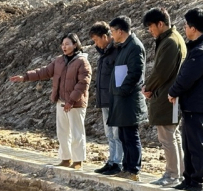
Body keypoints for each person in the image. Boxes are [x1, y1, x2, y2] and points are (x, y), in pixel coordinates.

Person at [10, 33, 92, 169]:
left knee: (77, 132)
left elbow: (83, 84)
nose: (64, 47)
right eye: (63, 44)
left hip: (75, 104)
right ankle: (66, 158)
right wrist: (24, 77)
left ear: (75, 45)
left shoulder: (82, 62)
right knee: (62, 132)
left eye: (67, 44)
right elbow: (44, 72)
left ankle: (78, 161)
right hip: (61, 101)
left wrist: (71, 101)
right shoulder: (59, 60)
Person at [168, 8, 203, 191]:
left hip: (197, 103)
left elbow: (187, 76)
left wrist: (173, 91)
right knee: (189, 143)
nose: (184, 28)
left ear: (193, 28)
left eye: (186, 25)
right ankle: (189, 178)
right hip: (192, 103)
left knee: (196, 143)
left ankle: (197, 181)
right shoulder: (199, 46)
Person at [142, 7, 187, 186]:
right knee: (173, 135)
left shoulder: (169, 41)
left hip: (167, 96)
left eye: (151, 27)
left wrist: (148, 87)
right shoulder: (174, 39)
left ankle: (171, 175)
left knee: (167, 137)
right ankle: (180, 174)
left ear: (160, 24)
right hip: (171, 95)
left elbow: (161, 72)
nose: (150, 31)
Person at [107, 16, 148, 181]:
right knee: (124, 135)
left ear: (120, 31)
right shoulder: (124, 46)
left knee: (131, 135)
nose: (111, 36)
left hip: (129, 99)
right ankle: (127, 167)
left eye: (112, 32)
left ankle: (133, 169)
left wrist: (122, 90)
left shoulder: (135, 47)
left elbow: (135, 73)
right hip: (122, 98)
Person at [89, 21, 124, 175]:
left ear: (105, 36)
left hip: (115, 100)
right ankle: (111, 160)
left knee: (117, 133)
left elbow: (121, 78)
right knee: (109, 133)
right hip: (105, 99)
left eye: (96, 40)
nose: (95, 44)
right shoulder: (103, 54)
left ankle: (118, 162)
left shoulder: (117, 52)